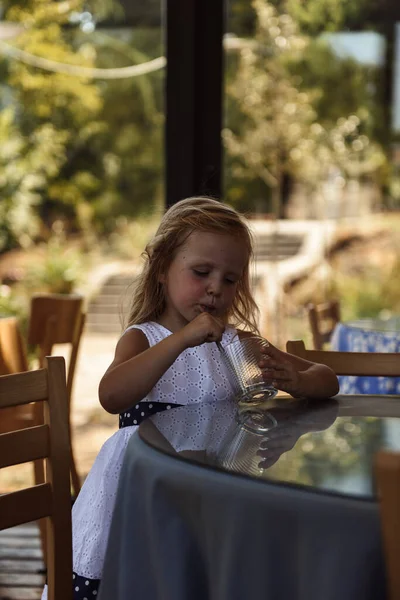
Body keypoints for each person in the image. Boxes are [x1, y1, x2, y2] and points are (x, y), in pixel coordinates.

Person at [42, 196, 339, 599]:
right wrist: (182, 339)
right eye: (202, 272)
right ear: (163, 268)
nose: (216, 288)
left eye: (231, 279)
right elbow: (111, 396)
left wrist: (298, 381)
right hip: (143, 489)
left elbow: (326, 378)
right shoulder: (143, 338)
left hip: (213, 488)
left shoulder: (238, 343)